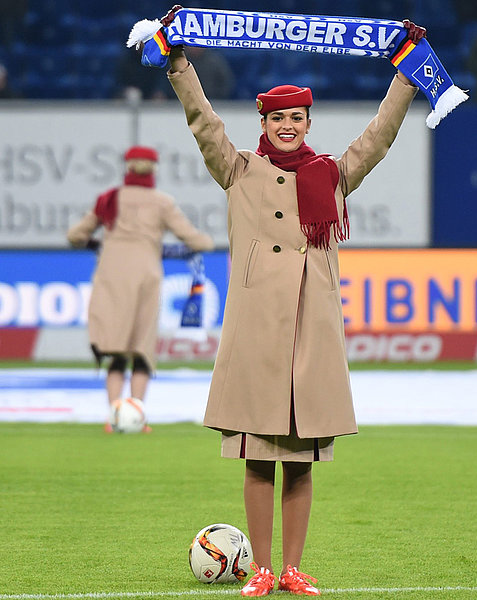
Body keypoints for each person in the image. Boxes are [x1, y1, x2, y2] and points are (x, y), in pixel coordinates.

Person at [159, 5, 423, 596]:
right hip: (257, 329)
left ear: (307, 121)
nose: (288, 126)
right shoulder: (238, 169)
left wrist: (407, 77)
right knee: (257, 456)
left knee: (300, 459)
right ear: (266, 121)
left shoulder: (332, 173)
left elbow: (376, 141)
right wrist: (177, 62)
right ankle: (259, 570)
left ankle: (293, 569)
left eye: (297, 117)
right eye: (279, 118)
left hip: (311, 331)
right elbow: (203, 123)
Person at [66, 145, 214, 432]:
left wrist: (101, 244)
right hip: (146, 275)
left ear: (128, 166)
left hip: (111, 276)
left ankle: (114, 416)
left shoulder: (109, 199)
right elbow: (198, 241)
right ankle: (137, 414)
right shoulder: (162, 203)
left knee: (117, 347)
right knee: (142, 349)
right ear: (154, 168)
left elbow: (75, 235)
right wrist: (168, 248)